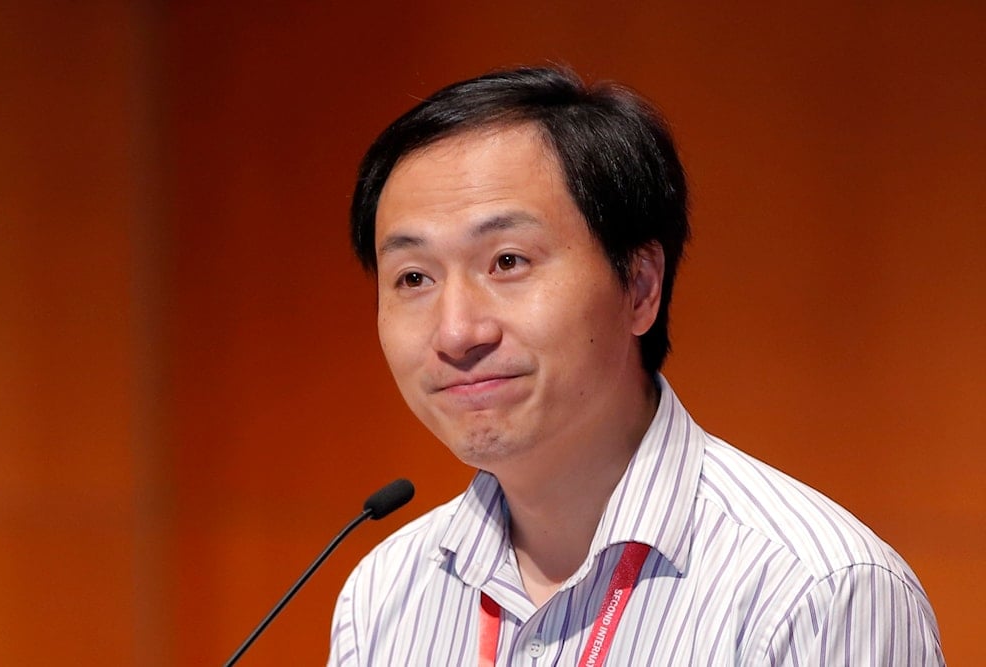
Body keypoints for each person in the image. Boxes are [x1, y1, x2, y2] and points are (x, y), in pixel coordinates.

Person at [329, 66, 943, 665]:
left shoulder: (815, 593)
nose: (457, 332)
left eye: (509, 261)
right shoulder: (384, 594)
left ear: (641, 286)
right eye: (413, 277)